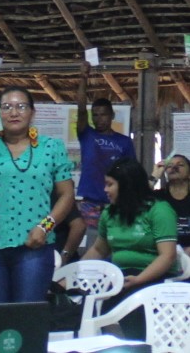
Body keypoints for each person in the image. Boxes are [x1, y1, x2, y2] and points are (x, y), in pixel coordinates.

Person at [0, 86, 75, 304]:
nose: (14, 112)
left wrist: (45, 227)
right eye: (6, 107)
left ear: (32, 113)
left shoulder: (51, 147)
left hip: (35, 246)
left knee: (27, 315)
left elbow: (67, 195)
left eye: (21, 106)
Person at [82, 158, 178, 339]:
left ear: (126, 186)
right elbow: (98, 250)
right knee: (86, 301)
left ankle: (138, 345)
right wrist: (74, 275)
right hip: (120, 277)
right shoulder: (109, 213)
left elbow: (168, 256)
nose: (105, 190)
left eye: (110, 185)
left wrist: (139, 279)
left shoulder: (159, 210)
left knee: (129, 301)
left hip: (154, 277)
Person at [76, 62, 136, 229]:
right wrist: (83, 78)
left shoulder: (124, 142)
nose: (99, 118)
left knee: (115, 241)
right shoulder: (87, 134)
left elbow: (131, 173)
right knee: (92, 242)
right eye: (95, 115)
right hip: (90, 203)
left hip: (116, 203)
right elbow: (81, 110)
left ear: (112, 116)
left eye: (103, 114)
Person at [150, 154, 190, 253]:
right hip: (163, 252)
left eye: (180, 165)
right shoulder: (158, 196)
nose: (174, 167)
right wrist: (154, 176)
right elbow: (137, 198)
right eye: (169, 166)